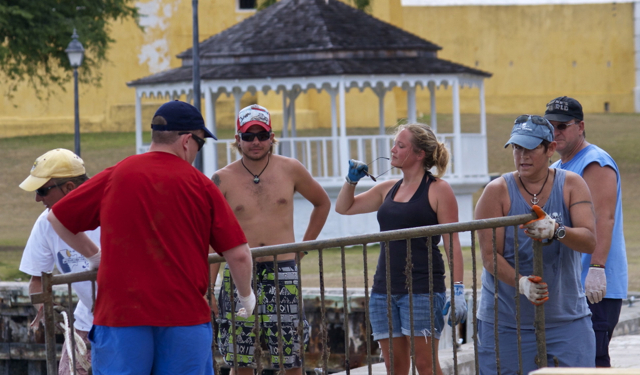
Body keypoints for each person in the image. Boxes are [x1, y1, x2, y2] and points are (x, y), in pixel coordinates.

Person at [47, 100, 255, 375]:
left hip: (121, 315)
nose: (197, 151)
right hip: (184, 316)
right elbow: (238, 255)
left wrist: (94, 256)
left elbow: (56, 218)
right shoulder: (201, 185)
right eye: (200, 144)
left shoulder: (116, 174)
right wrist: (246, 296)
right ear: (185, 141)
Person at [335, 123, 466, 375]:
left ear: (419, 154)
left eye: (400, 145)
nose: (392, 149)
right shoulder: (388, 188)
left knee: (426, 365)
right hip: (384, 289)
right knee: (394, 367)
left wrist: (458, 290)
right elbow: (344, 207)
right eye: (394, 144)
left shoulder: (439, 189)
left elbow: (453, 243)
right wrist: (350, 181)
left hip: (422, 288)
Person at [211, 104, 330, 375]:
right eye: (248, 135)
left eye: (262, 135)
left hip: (283, 272)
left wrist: (303, 249)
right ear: (237, 138)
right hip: (239, 274)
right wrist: (208, 287)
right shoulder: (222, 179)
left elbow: (322, 203)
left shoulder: (291, 169)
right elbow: (210, 235)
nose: (255, 142)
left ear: (272, 137)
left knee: (291, 357)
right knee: (241, 359)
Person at [475, 114, 597, 374]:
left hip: (567, 320)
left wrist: (557, 230)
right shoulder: (496, 192)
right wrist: (521, 283)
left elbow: (589, 241)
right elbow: (489, 256)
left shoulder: (572, 184)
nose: (522, 156)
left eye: (530, 148)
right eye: (517, 148)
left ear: (550, 148)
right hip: (507, 323)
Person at [545, 96, 628, 368]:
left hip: (594, 285)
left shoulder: (595, 162)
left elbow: (604, 218)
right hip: (568, 284)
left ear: (580, 126)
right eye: (550, 126)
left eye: (562, 126)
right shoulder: (556, 169)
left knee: (592, 360)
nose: (555, 133)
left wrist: (596, 267)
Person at [19, 148, 99, 375]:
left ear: (70, 188)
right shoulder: (46, 222)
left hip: (129, 323)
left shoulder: (113, 211)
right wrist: (45, 310)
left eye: (42, 190)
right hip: (86, 322)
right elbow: (37, 281)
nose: (37, 198)